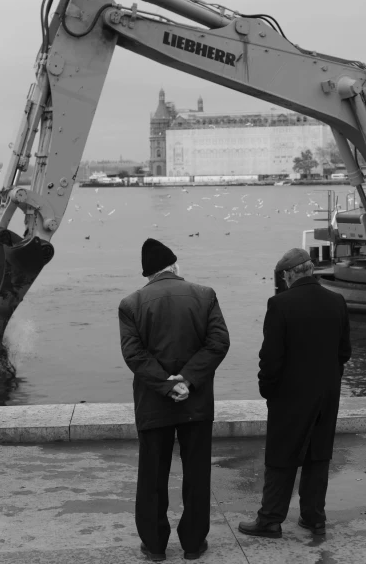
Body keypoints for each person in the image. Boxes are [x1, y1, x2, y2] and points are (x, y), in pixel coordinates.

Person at [118, 238, 230, 562]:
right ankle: (193, 545)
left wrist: (167, 386)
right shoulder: (205, 295)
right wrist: (188, 381)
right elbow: (218, 343)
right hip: (195, 403)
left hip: (154, 403)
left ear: (147, 275)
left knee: (153, 477)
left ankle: (154, 546)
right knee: (196, 475)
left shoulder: (131, 303)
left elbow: (134, 355)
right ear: (175, 267)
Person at [238, 247, 351, 540]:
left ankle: (270, 520)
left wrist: (268, 390)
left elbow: (271, 357)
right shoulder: (337, 301)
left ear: (289, 274)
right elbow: (344, 352)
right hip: (327, 394)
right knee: (318, 455)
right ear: (311, 269)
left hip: (290, 395)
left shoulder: (280, 305)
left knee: (282, 456)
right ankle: (314, 518)